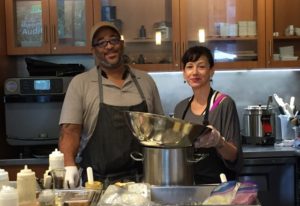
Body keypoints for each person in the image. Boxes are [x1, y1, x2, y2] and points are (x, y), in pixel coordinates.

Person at [59, 21, 164, 188]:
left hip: (143, 182)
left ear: (121, 44)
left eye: (113, 40)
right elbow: (70, 131)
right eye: (101, 42)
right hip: (97, 184)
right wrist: (69, 164)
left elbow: (160, 129)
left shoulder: (146, 81)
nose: (109, 46)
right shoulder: (81, 83)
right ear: (93, 50)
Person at [174, 46, 243, 184]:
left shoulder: (224, 103)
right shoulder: (180, 108)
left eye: (201, 66)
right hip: (188, 185)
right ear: (184, 73)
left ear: (211, 71)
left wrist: (219, 142)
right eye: (189, 67)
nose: (194, 72)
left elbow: (233, 155)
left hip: (219, 186)